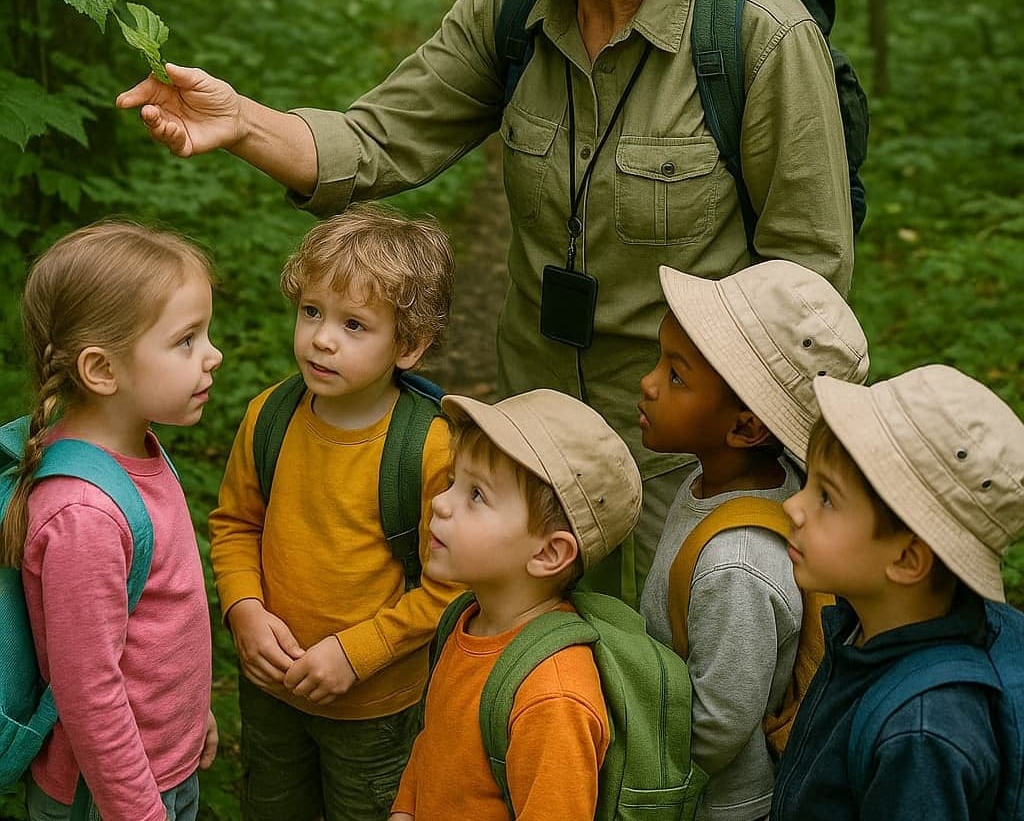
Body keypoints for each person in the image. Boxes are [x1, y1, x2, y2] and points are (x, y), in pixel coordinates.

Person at [118, 0, 854, 598]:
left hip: (687, 460)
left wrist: (759, 464)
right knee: (532, 661)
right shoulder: (511, 8)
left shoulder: (757, 35)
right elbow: (376, 139)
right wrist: (241, 120)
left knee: (671, 667)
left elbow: (809, 274)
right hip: (530, 438)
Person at [208, 204, 461, 821]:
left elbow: (453, 586)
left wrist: (359, 653)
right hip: (272, 688)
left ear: (409, 346)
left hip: (374, 707)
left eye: (354, 324)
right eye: (312, 312)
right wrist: (244, 609)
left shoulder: (428, 448)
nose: (322, 338)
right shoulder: (269, 417)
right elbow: (237, 524)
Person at [0, 220, 221, 821]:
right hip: (109, 797)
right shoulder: (84, 514)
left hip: (157, 769)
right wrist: (140, 811)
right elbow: (88, 693)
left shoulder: (136, 447)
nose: (213, 355)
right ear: (102, 370)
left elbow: (156, 621)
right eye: (186, 340)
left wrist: (192, 715)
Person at [638, 259, 869, 821]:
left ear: (745, 427)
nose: (648, 382)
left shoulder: (736, 565)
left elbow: (717, 726)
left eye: (676, 376)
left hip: (711, 803)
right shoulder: (727, 482)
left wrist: (634, 759)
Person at [771, 365, 1024, 820]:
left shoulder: (922, 735)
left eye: (826, 497)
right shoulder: (866, 622)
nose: (793, 506)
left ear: (907, 559)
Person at [389, 387, 642, 821]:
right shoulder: (467, 619)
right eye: (452, 481)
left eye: (476, 495)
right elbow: (434, 745)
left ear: (548, 553)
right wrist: (405, 809)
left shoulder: (552, 696)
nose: (441, 503)